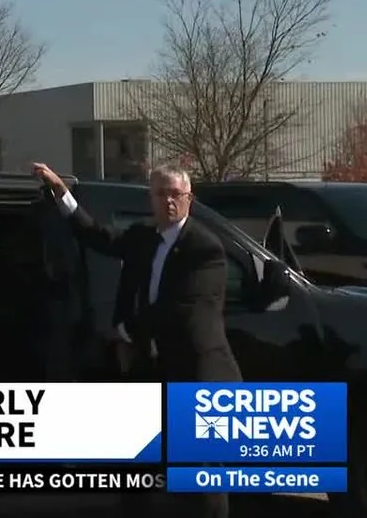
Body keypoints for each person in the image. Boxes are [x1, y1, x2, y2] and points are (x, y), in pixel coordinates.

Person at [33, 162, 239, 518]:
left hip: (194, 373)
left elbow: (180, 310)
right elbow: (99, 237)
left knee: (200, 471)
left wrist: (125, 332)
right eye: (162, 194)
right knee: (137, 468)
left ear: (190, 198)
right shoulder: (144, 236)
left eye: (177, 194)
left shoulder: (204, 249)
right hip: (149, 368)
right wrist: (61, 194)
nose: (169, 201)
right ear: (151, 198)